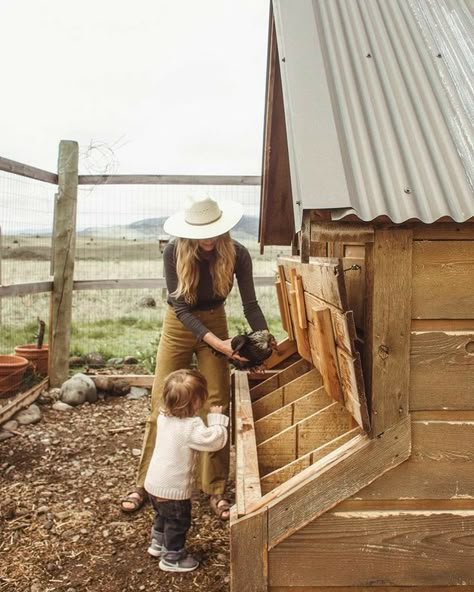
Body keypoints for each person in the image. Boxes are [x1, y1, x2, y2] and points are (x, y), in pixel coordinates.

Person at [121, 196, 270, 520]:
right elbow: (183, 308)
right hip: (179, 324)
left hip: (216, 319)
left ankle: (214, 489)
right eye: (202, 232)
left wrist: (264, 339)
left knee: (216, 402)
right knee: (162, 402)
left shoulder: (238, 254)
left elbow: (250, 305)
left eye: (214, 230)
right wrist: (219, 343)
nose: (209, 238)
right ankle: (144, 483)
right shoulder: (174, 252)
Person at [145, 368, 229, 572]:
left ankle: (158, 544)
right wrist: (217, 419)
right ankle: (172, 557)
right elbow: (214, 441)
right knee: (177, 522)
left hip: (153, 485)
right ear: (195, 403)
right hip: (173, 491)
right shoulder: (191, 427)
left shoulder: (163, 417)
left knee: (161, 516)